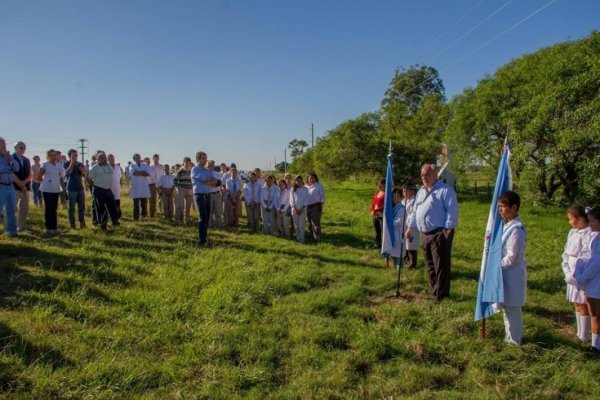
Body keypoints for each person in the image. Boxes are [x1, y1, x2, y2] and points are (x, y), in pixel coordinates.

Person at [406, 163, 458, 302]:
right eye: (422, 175)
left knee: (440, 265)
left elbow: (451, 212)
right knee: (430, 265)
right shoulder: (421, 191)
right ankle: (434, 290)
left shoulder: (445, 191)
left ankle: (441, 296)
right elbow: (415, 211)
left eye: (427, 174)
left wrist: (447, 230)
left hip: (439, 233)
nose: (424, 177)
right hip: (426, 234)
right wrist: (411, 227)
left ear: (435, 175)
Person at [497, 190, 527, 346]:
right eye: (499, 206)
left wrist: (495, 266)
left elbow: (511, 257)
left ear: (514, 207)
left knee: (512, 309)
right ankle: (508, 338)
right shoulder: (506, 224)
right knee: (506, 308)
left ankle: (515, 340)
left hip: (513, 274)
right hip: (504, 274)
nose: (500, 209)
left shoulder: (516, 230)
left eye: (503, 206)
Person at [561, 206, 592, 342]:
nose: (569, 222)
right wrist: (567, 270)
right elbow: (566, 253)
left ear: (580, 219)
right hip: (571, 271)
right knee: (576, 302)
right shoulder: (572, 232)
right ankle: (579, 332)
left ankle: (584, 335)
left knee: (583, 303)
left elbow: (586, 255)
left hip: (581, 272)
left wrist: (578, 274)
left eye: (570, 219)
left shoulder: (589, 233)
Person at [573, 207, 600, 353]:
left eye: (592, 221)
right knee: (593, 312)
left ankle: (596, 346)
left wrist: (584, 275)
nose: (590, 224)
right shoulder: (594, 236)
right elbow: (584, 254)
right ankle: (595, 343)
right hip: (590, 280)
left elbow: (597, 261)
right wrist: (578, 270)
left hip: (596, 280)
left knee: (596, 313)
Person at [191, 151, 221, 246]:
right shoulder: (195, 169)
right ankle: (201, 241)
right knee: (202, 218)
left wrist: (209, 181)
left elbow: (217, 183)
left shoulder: (207, 170)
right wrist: (209, 181)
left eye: (206, 158)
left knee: (207, 218)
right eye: (203, 158)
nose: (205, 160)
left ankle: (204, 238)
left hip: (208, 195)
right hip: (200, 195)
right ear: (198, 159)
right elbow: (206, 180)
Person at [87, 151, 119, 230]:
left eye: (105, 157)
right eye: (102, 158)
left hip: (108, 190)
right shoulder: (95, 167)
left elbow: (111, 173)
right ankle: (103, 227)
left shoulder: (108, 166)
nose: (104, 159)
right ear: (98, 159)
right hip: (99, 190)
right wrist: (92, 185)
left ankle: (115, 223)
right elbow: (88, 177)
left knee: (113, 207)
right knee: (101, 209)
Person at [38, 149, 65, 235]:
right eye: (52, 155)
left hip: (56, 189)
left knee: (54, 209)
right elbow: (39, 176)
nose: (54, 156)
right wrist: (46, 181)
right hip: (47, 189)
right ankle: (49, 227)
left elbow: (62, 176)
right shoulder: (45, 165)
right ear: (48, 156)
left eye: (55, 155)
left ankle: (54, 227)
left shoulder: (59, 165)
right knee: (49, 208)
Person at [0, 137, 19, 237]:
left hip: (10, 186)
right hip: (1, 187)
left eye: (4, 145)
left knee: (11, 210)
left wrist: (9, 160)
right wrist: (7, 169)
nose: (4, 147)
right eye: (2, 145)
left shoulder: (9, 157)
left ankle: (12, 231)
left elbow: (16, 168)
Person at [12, 141, 32, 232]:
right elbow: (10, 173)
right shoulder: (11, 158)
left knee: (24, 208)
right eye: (20, 147)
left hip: (26, 187)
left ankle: (22, 226)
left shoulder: (27, 160)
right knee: (11, 208)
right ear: (15, 148)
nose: (23, 149)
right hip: (13, 187)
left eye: (24, 148)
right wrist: (20, 183)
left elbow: (30, 174)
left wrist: (24, 183)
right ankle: (10, 228)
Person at [64, 149, 87, 229]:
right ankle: (73, 225)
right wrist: (72, 163)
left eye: (76, 155)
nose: (75, 157)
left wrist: (82, 170)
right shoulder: (66, 163)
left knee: (81, 207)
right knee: (71, 208)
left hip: (80, 188)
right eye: (73, 155)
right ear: (69, 156)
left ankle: (82, 223)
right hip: (71, 189)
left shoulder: (80, 164)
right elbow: (67, 173)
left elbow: (84, 175)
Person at [128, 153, 151, 221]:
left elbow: (148, 173)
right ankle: (136, 217)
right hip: (136, 187)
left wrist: (138, 172)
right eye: (137, 158)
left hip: (143, 186)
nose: (138, 159)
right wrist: (142, 173)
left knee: (144, 203)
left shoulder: (145, 165)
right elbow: (133, 173)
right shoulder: (132, 165)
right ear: (134, 159)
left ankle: (143, 216)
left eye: (139, 157)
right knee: (136, 204)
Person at [403, 185, 419, 269]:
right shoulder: (403, 201)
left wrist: (409, 223)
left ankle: (413, 263)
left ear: (412, 191)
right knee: (405, 244)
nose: (405, 193)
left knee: (411, 245)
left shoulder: (414, 201)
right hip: (404, 225)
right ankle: (406, 259)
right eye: (404, 191)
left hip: (412, 225)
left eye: (407, 191)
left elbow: (413, 213)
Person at [390, 188, 407, 270]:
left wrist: (389, 222)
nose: (394, 198)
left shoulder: (402, 209)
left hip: (399, 234)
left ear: (401, 197)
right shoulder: (394, 207)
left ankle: (400, 271)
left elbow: (399, 222)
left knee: (398, 254)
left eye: (396, 197)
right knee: (393, 254)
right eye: (393, 197)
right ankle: (395, 270)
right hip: (394, 233)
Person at [306, 172, 325, 241]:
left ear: (315, 178)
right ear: (307, 179)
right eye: (310, 178)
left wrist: (321, 205)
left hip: (316, 206)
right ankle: (311, 235)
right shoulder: (306, 186)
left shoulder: (319, 186)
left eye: (313, 178)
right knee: (309, 222)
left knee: (315, 222)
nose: (311, 179)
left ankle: (317, 237)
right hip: (307, 207)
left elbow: (322, 196)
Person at [174, 157, 194, 225]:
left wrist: (191, 189)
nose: (187, 163)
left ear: (190, 163)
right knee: (179, 206)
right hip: (181, 189)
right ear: (183, 163)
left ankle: (187, 220)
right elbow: (175, 180)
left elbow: (193, 181)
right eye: (186, 162)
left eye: (188, 162)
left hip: (189, 189)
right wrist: (178, 189)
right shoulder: (180, 171)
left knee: (188, 206)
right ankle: (178, 220)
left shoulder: (192, 171)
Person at [290, 175, 308, 243]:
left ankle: (302, 239)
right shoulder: (293, 189)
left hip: (302, 210)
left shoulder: (305, 189)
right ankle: (298, 238)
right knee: (296, 225)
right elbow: (291, 200)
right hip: (294, 210)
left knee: (301, 225)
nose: (298, 182)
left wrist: (301, 209)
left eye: (300, 181)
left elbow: (306, 200)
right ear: (295, 181)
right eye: (297, 181)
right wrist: (295, 208)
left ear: (302, 181)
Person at [207, 160, 223, 229]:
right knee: (209, 211)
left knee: (218, 211)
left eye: (212, 165)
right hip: (208, 194)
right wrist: (213, 182)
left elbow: (219, 183)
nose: (211, 166)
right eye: (210, 165)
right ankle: (210, 225)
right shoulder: (204, 173)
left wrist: (213, 183)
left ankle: (218, 226)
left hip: (217, 194)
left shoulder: (216, 173)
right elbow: (205, 182)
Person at [370, 179, 385, 248]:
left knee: (383, 230)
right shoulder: (377, 194)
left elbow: (384, 205)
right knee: (377, 230)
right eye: (378, 184)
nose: (378, 186)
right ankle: (378, 243)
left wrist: (377, 211)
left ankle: (384, 245)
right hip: (375, 215)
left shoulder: (386, 195)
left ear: (384, 185)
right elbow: (373, 203)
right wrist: (372, 211)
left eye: (380, 184)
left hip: (381, 215)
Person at [108, 154, 122, 219]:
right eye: (110, 158)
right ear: (108, 159)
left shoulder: (117, 167)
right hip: (110, 186)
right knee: (110, 202)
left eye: (113, 158)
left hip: (117, 186)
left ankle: (118, 215)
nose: (112, 159)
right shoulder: (107, 166)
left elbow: (119, 176)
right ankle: (111, 215)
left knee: (117, 201)